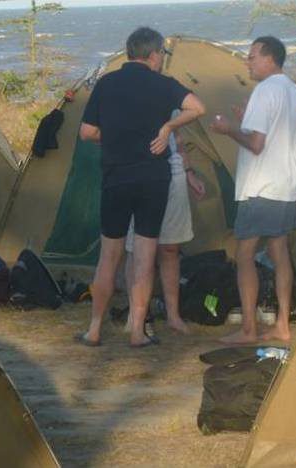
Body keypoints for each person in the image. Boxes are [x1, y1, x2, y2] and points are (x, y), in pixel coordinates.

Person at [76, 27, 206, 348]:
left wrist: (118, 137)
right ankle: (137, 332)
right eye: (161, 54)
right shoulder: (163, 85)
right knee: (145, 258)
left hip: (116, 179)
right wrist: (168, 126)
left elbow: (87, 132)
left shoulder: (106, 83)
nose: (162, 59)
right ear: (153, 55)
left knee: (109, 257)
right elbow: (198, 108)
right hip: (153, 180)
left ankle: (93, 329)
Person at [210, 36, 296, 344]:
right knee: (279, 253)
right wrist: (244, 122)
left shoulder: (266, 90)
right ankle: (282, 326)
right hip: (287, 185)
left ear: (269, 58)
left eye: (252, 57)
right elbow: (276, 134)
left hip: (262, 187)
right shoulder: (294, 91)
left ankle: (249, 329)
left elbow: (256, 144)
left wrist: (229, 130)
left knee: (245, 254)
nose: (247, 62)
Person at [124, 128, 206, 335]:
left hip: (174, 176)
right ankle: (137, 316)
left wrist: (189, 173)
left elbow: (178, 140)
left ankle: (173, 316)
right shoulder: (129, 98)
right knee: (138, 251)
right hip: (139, 176)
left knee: (170, 249)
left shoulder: (171, 99)